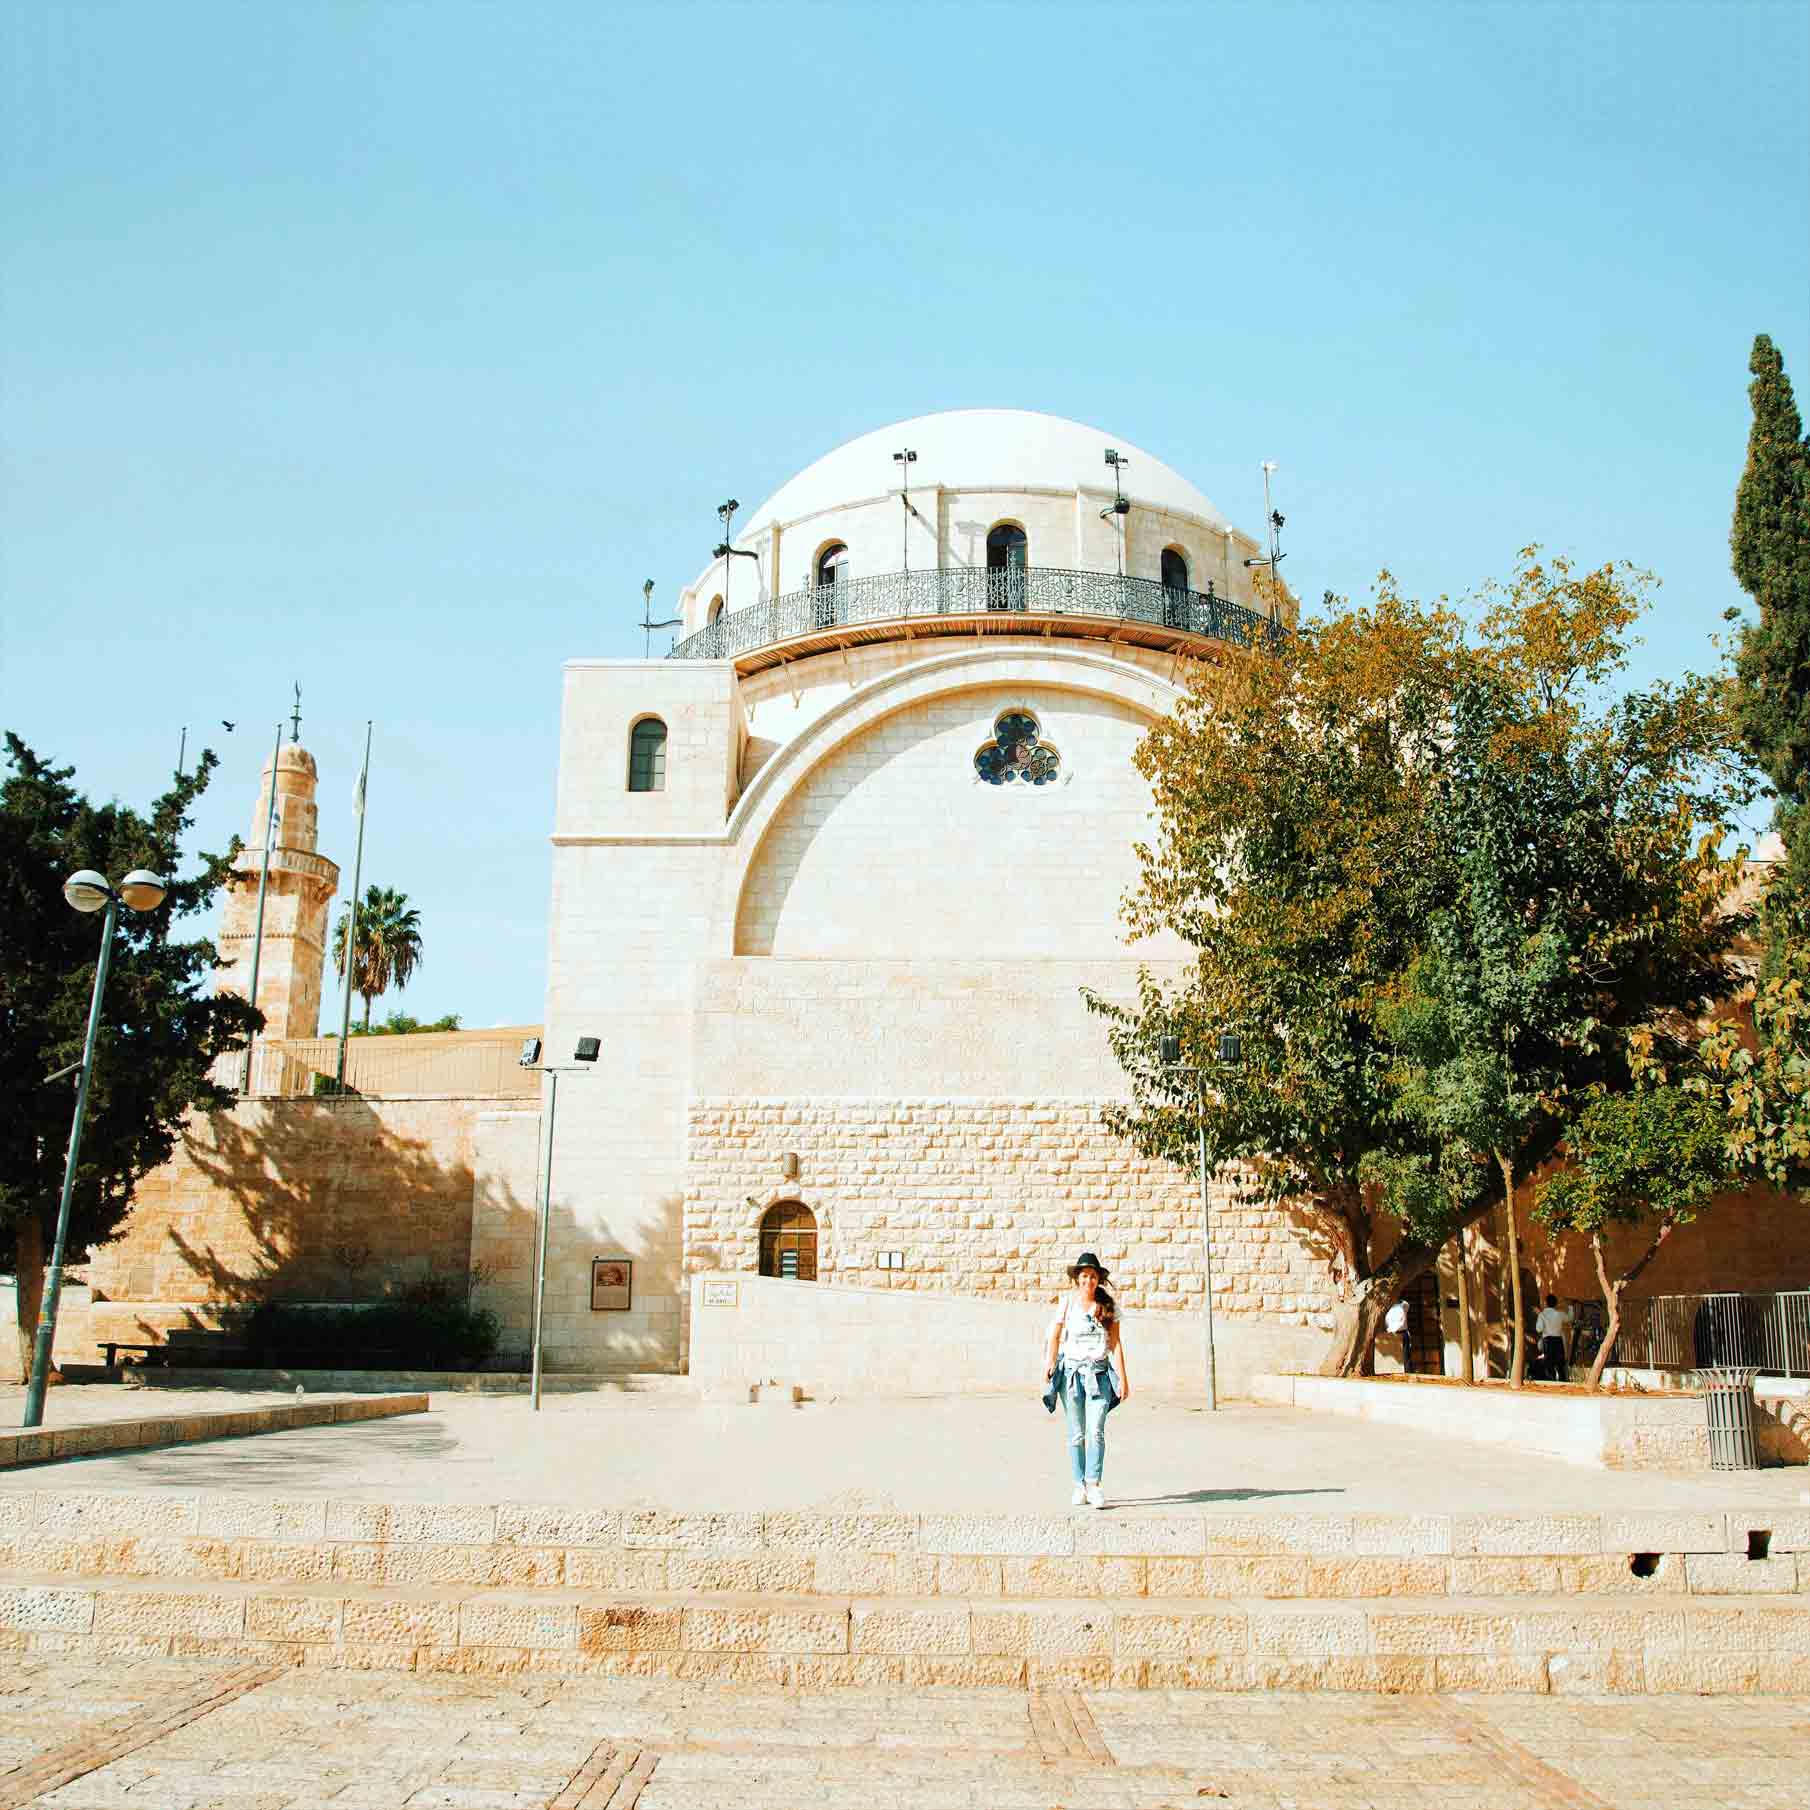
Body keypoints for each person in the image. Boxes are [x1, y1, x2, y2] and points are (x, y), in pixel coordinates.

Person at [1041, 1251, 1129, 1509]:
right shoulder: (1067, 1304)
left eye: (1092, 1276)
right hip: (1071, 1376)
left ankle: (1094, 1484)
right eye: (1083, 1276)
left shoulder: (1108, 1307)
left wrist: (1124, 1378)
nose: (1088, 1281)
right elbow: (1055, 1335)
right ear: (1077, 1280)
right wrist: (1049, 1361)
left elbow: (1116, 1345)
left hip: (1099, 1376)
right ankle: (1079, 1485)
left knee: (1096, 1432)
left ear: (1098, 1279)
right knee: (1077, 1433)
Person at [1535, 1294, 1572, 1382]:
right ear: (1555, 1304)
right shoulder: (1560, 1314)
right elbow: (1569, 1318)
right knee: (1560, 1363)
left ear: (1545, 1303)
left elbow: (1538, 1329)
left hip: (1547, 1341)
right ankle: (1563, 1381)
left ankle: (1550, 1381)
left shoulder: (1542, 1315)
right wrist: (1571, 1307)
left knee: (1549, 1364)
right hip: (1558, 1341)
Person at [1384, 1298, 1414, 1374]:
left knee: (1404, 1354)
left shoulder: (1399, 1308)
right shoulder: (1401, 1308)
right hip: (1399, 1333)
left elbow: (1388, 1322)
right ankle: (1406, 1371)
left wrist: (1390, 1330)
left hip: (1396, 1333)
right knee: (1404, 1354)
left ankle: (1406, 1371)